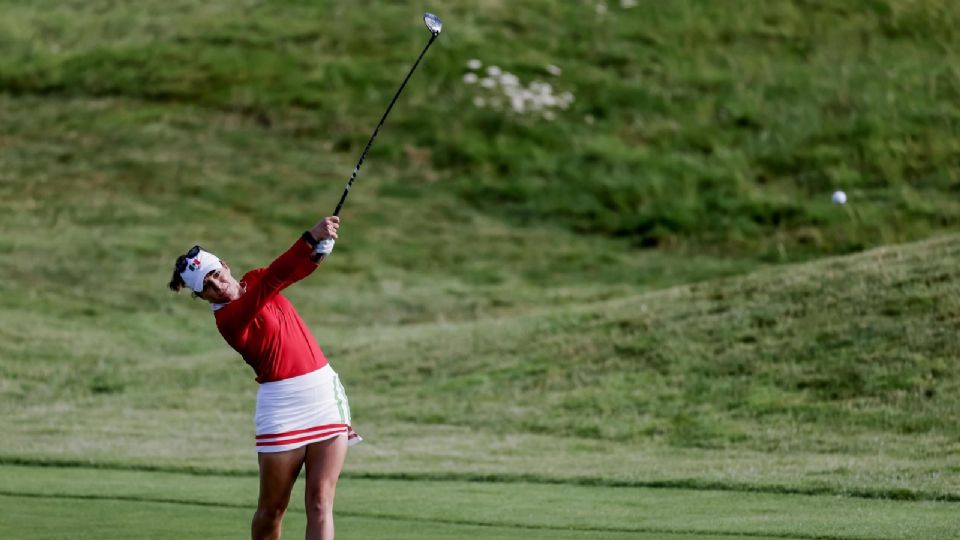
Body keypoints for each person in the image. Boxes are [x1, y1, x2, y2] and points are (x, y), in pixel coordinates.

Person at [168, 215, 360, 540]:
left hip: (324, 394)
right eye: (207, 288)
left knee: (319, 502)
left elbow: (293, 272)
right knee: (272, 511)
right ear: (202, 297)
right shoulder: (228, 319)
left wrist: (317, 251)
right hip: (282, 407)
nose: (217, 286)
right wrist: (309, 238)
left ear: (225, 266)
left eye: (216, 275)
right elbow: (275, 278)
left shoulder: (255, 278)